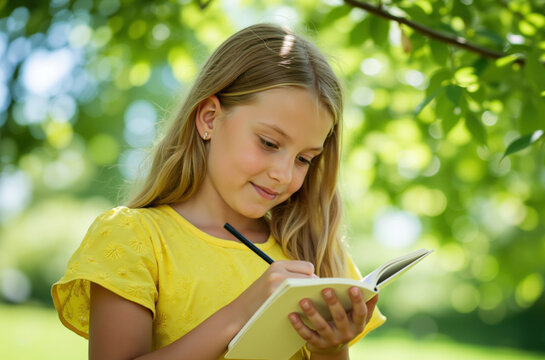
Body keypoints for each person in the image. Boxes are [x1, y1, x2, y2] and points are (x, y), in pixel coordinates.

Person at [51, 23, 385, 360]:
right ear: (209, 118)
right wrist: (241, 314)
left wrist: (330, 346)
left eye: (304, 159)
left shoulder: (309, 250)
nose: (284, 175)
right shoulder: (134, 238)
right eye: (269, 143)